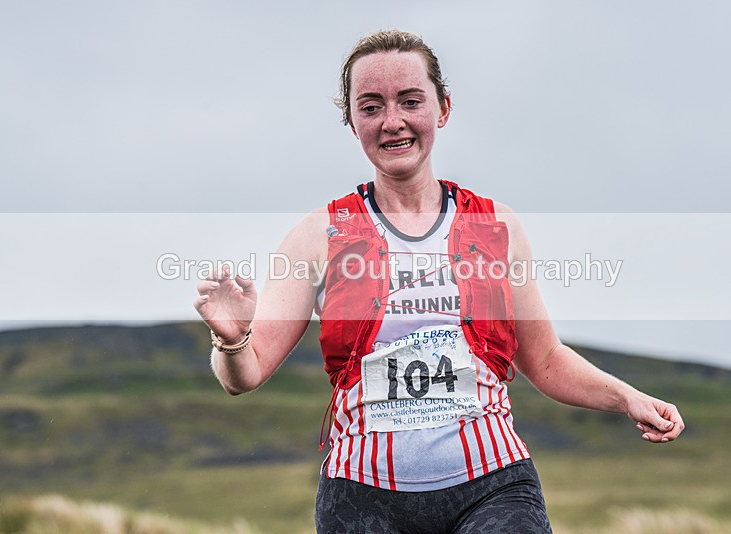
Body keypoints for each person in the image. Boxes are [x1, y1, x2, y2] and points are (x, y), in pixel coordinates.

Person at [194, 30, 685, 534]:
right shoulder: (318, 236)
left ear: (442, 108)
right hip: (361, 497)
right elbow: (246, 375)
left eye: (411, 101)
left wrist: (627, 397)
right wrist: (232, 340)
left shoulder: (497, 226)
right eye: (371, 106)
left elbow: (544, 359)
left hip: (493, 488)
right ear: (351, 120)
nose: (393, 122)